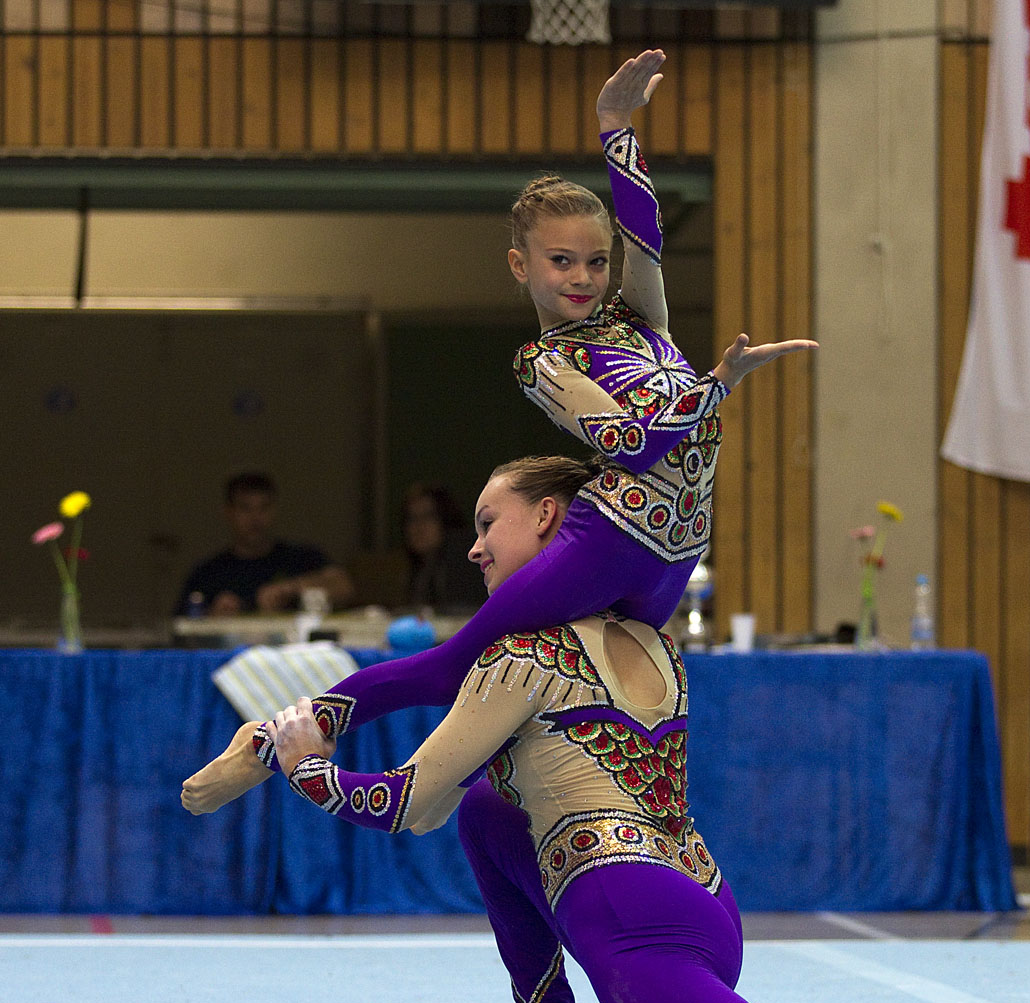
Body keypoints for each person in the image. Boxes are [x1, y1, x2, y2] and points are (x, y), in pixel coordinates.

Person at [183, 456, 1030, 1003]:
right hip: (705, 903)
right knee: (491, 811)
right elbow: (469, 791)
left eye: (487, 524)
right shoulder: (652, 639)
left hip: (631, 925)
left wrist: (308, 767)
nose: (474, 548)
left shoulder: (518, 656)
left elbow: (408, 805)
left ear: (550, 521)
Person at [180, 49, 815, 810]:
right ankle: (274, 739)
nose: (581, 277)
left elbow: (645, 236)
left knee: (601, 697)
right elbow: (632, 442)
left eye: (594, 262)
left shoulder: (643, 321)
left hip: (679, 547)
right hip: (612, 538)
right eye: (560, 261)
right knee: (455, 664)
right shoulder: (544, 360)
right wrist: (715, 389)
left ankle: (515, 809)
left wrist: (616, 128)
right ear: (520, 265)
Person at [176, 471, 355, 616]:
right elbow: (182, 624)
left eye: (264, 508)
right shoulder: (208, 572)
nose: (255, 518)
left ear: (274, 509)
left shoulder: (299, 557)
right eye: (245, 508)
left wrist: (290, 588)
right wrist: (213, 615)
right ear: (229, 512)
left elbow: (344, 587)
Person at [399, 483, 482, 612]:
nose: (418, 526)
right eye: (412, 518)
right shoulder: (422, 566)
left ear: (445, 519)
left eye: (428, 516)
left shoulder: (465, 559)